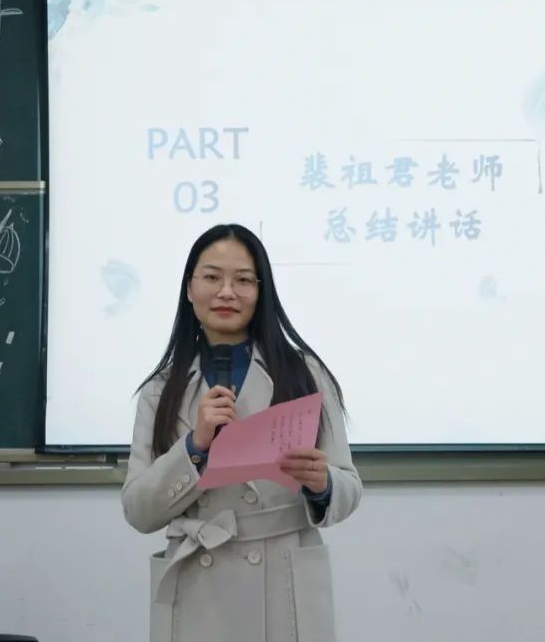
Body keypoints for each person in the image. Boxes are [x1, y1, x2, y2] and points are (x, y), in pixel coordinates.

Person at [121, 223, 363, 642]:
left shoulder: (305, 373)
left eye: (244, 280)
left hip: (281, 584)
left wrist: (323, 484)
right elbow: (138, 511)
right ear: (189, 288)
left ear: (261, 291)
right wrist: (194, 447)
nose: (227, 292)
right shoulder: (160, 390)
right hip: (198, 586)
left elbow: (350, 487)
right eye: (212, 277)